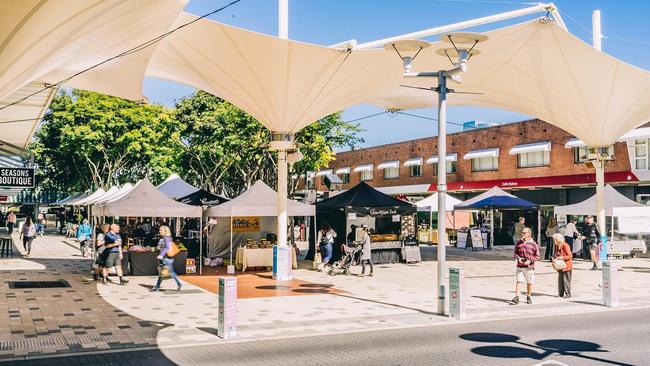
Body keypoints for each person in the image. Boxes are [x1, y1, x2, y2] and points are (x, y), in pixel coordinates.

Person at [511, 227, 540, 305]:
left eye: (524, 233)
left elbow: (537, 256)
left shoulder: (533, 244)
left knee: (529, 282)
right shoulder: (518, 242)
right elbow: (515, 253)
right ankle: (517, 297)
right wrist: (518, 258)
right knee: (519, 281)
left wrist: (530, 260)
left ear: (529, 234)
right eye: (522, 232)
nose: (522, 234)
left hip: (529, 267)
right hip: (520, 266)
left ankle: (529, 296)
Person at [151, 225, 182, 292]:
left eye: (161, 230)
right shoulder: (164, 238)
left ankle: (178, 283)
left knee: (169, 273)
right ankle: (157, 287)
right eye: (160, 230)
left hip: (166, 258)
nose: (160, 231)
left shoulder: (167, 238)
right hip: (164, 258)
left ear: (166, 231)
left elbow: (167, 247)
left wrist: (161, 255)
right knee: (162, 273)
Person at [552, 233, 573, 298]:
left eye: (555, 239)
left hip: (566, 265)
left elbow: (570, 255)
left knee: (566, 280)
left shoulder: (565, 245)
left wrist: (562, 257)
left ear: (559, 240)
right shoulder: (558, 245)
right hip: (560, 265)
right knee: (560, 280)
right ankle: (560, 293)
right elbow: (557, 254)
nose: (554, 241)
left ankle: (568, 294)